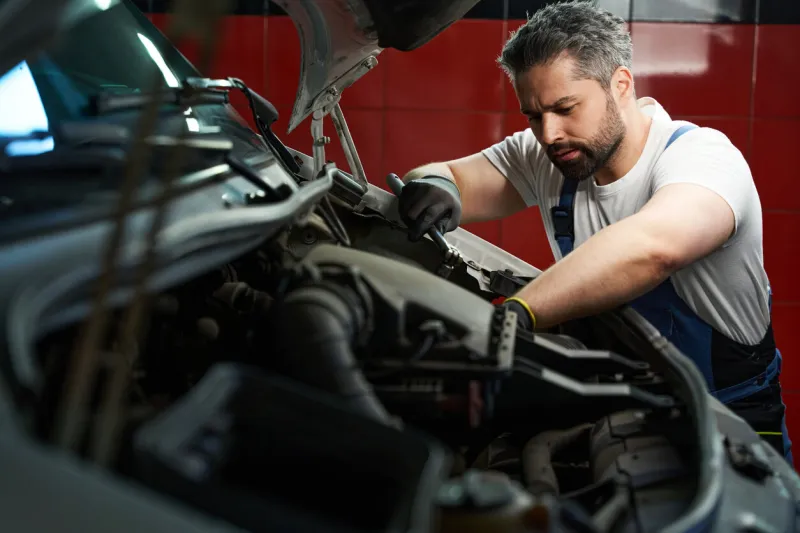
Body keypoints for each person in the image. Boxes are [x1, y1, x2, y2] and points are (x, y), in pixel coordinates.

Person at [395, 0, 793, 463]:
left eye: (566, 107)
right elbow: (451, 175)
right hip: (625, 418)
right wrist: (434, 185)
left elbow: (652, 248)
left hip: (730, 428)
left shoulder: (703, 159)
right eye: (533, 115)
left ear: (620, 84)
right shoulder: (552, 154)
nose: (549, 134)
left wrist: (517, 313)